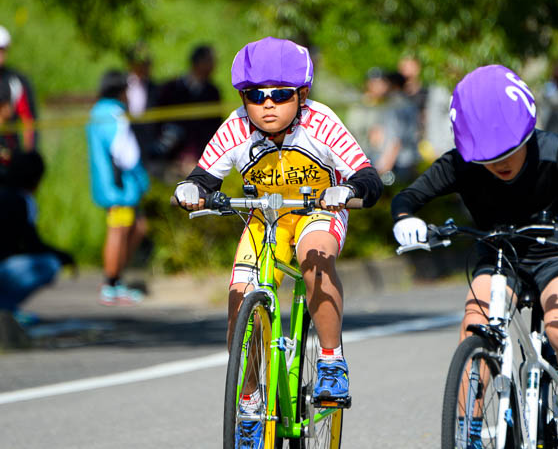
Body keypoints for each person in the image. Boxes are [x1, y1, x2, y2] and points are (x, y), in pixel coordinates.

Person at [391, 64, 558, 449]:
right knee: (473, 325)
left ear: (527, 134)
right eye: (486, 156)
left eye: (509, 151)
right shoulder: (461, 164)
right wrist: (404, 220)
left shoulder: (553, 151)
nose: (499, 162)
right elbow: (408, 197)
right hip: (499, 253)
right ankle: (468, 432)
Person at [173, 37, 383, 448]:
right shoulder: (236, 126)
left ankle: (329, 360)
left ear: (302, 95)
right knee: (238, 299)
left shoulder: (321, 122)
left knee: (313, 257)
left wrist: (349, 190)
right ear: (243, 97)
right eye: (255, 95)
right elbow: (204, 176)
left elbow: (367, 176)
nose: (267, 104)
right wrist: (190, 189)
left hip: (318, 210)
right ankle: (250, 401)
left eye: (281, 94)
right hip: (265, 217)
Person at [86, 70, 149, 306]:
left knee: (135, 227)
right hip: (120, 187)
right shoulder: (114, 114)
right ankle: (111, 284)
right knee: (119, 230)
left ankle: (115, 281)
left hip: (111, 186)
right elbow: (126, 154)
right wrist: (141, 178)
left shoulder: (98, 112)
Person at [0, 150, 75, 324]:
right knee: (48, 264)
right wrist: (64, 256)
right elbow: (32, 244)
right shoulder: (23, 200)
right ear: (36, 180)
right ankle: (5, 309)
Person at [151, 44, 221, 177]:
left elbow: (213, 128)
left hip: (199, 160)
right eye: (210, 61)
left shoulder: (212, 93)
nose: (213, 67)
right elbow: (158, 122)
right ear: (199, 62)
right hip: (169, 159)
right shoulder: (170, 88)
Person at [0, 25, 37, 167]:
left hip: (10, 155)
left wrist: (29, 154)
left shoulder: (15, 81)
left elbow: (28, 120)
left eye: (2, 50)